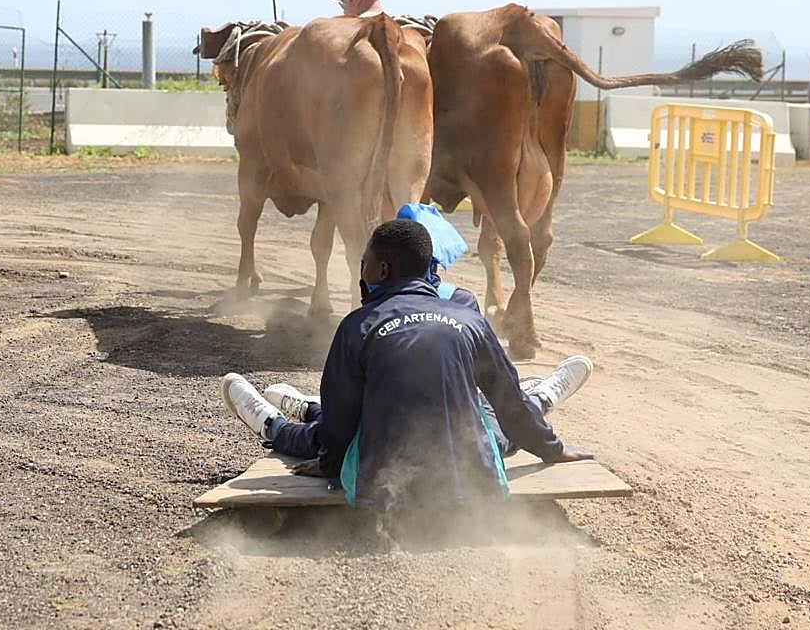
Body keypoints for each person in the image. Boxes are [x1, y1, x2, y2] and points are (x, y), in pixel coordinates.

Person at [221, 217, 593, 510]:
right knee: (490, 419)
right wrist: (552, 451)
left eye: (363, 264)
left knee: (325, 431)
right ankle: (544, 396)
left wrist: (331, 463)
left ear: (382, 271)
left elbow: (340, 424)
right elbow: (509, 402)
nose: (360, 272)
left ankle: (272, 424)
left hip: (383, 490)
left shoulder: (357, 326)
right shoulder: (469, 320)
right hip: (472, 486)